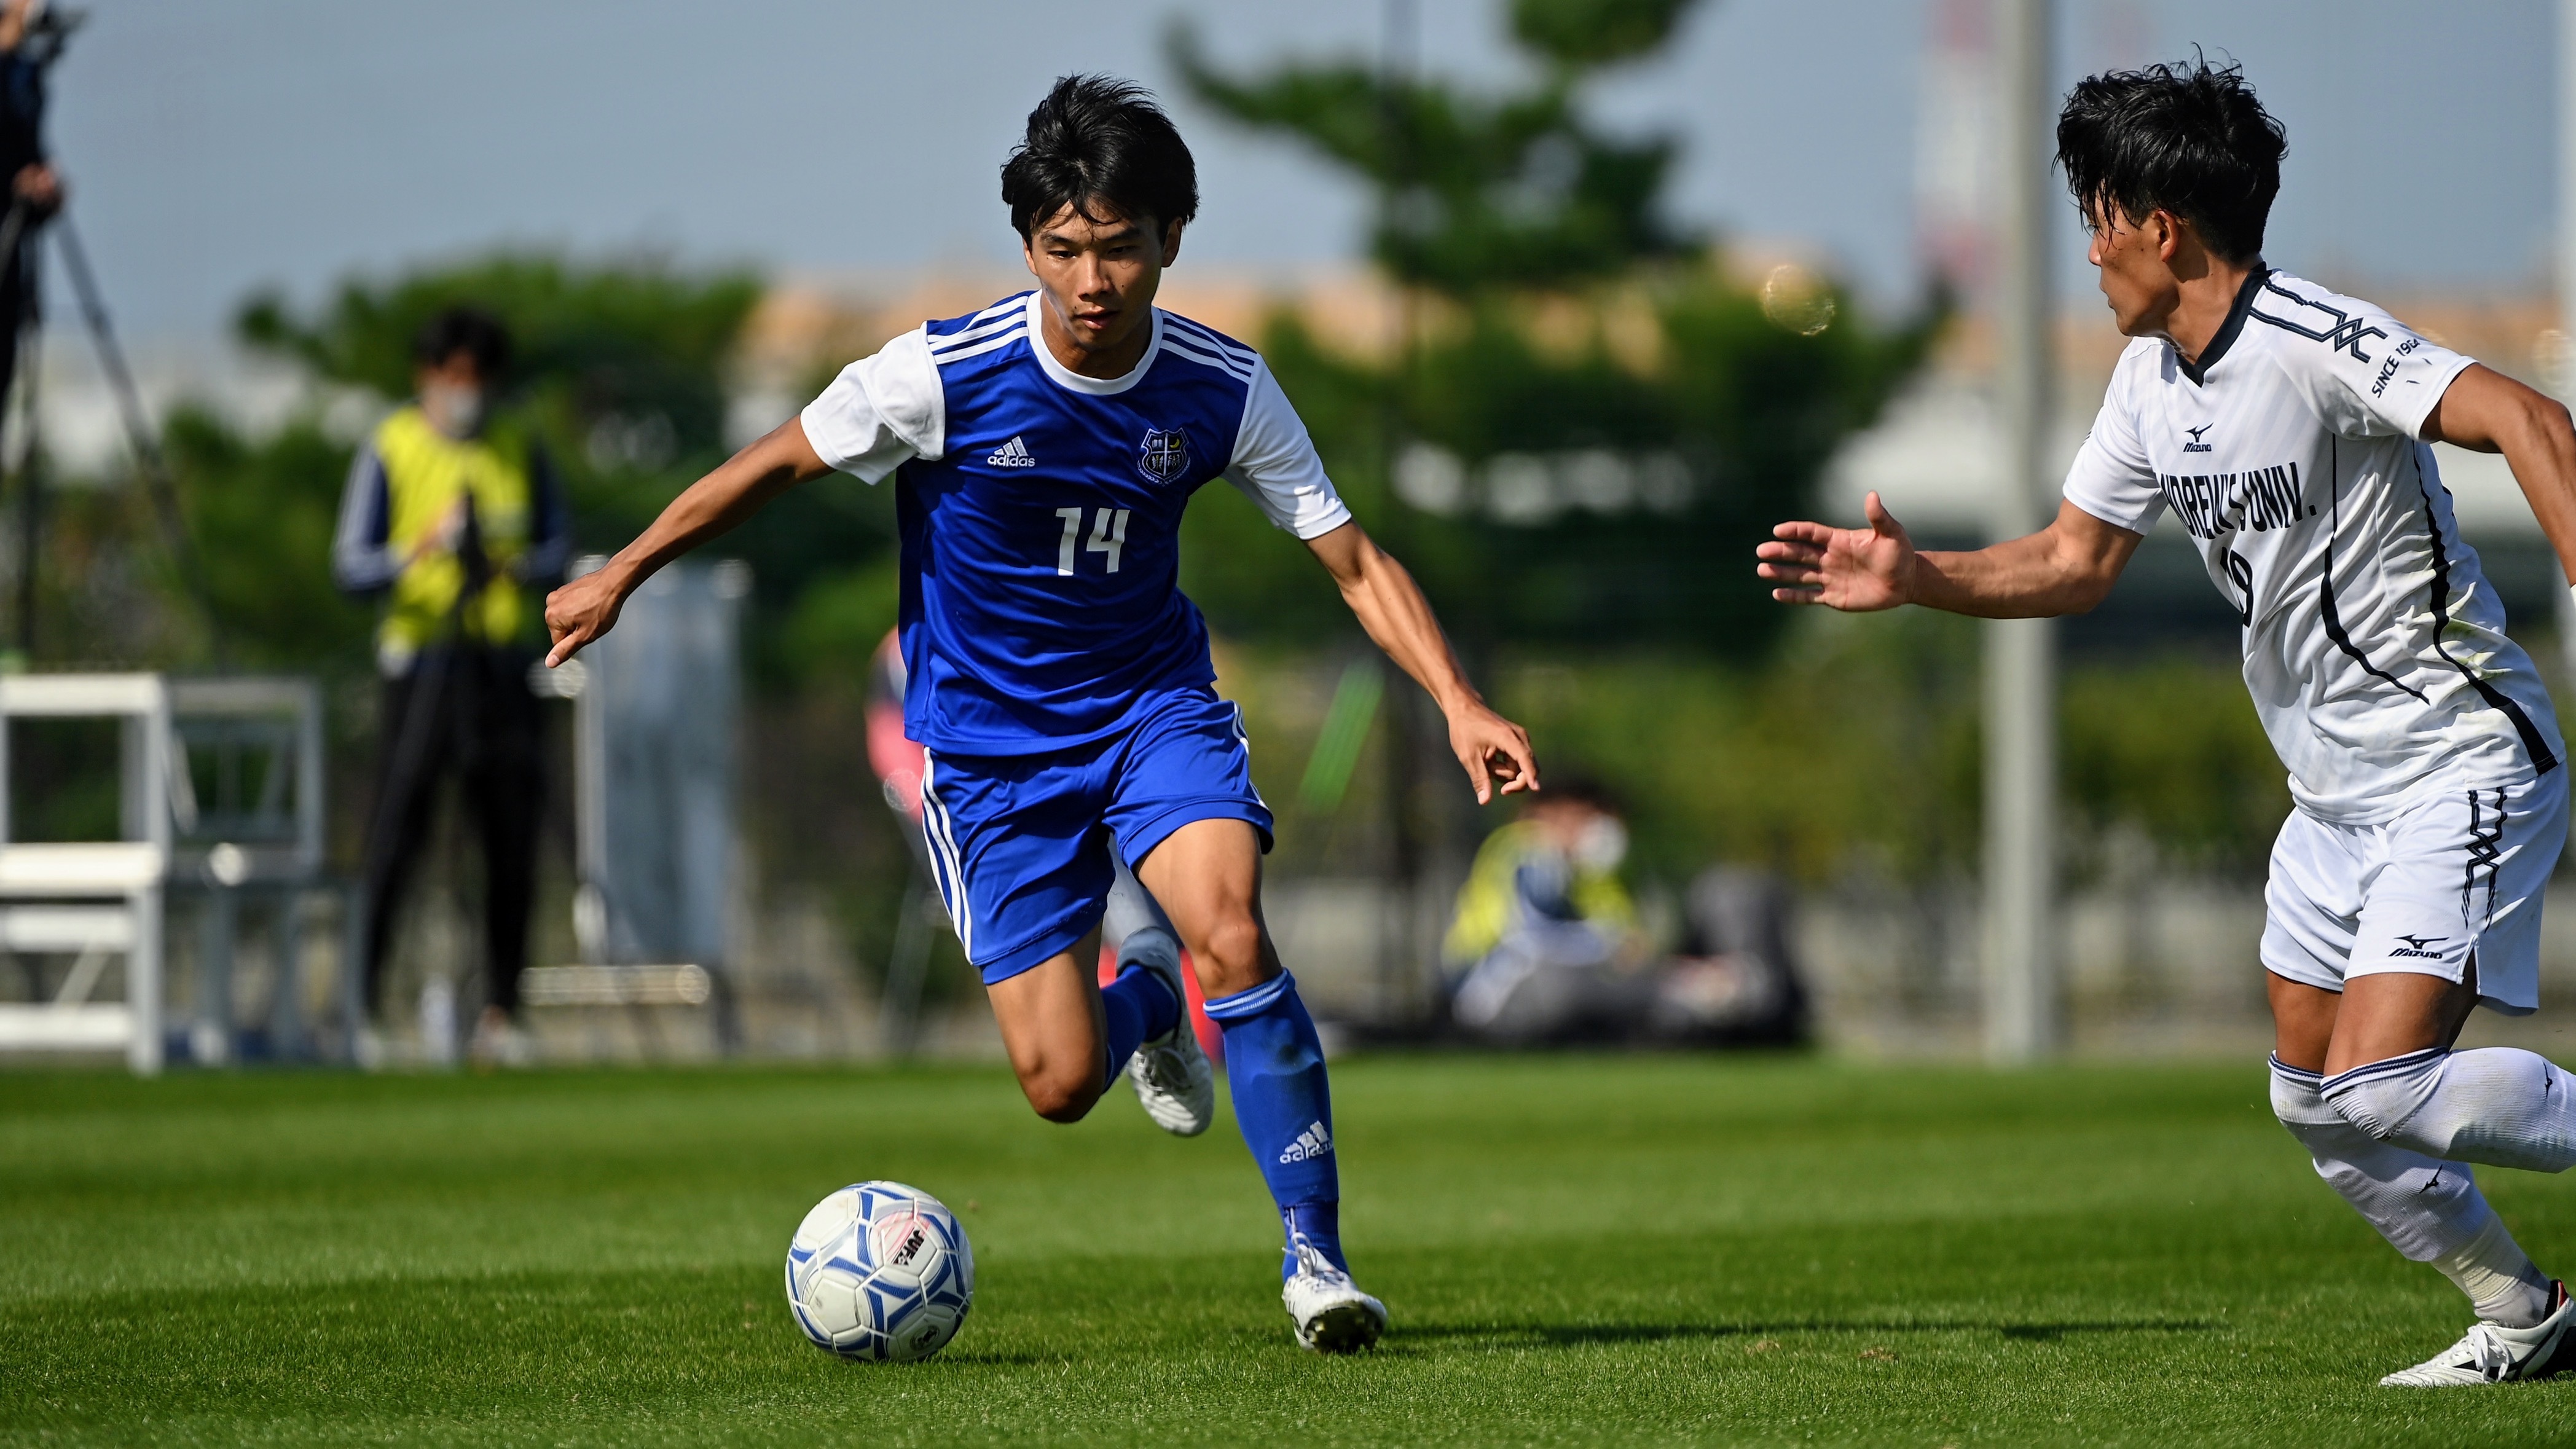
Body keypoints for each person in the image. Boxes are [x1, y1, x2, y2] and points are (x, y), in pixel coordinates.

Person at [542, 76, 1537, 1352]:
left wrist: (1456, 701)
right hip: (986, 753)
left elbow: (1348, 558)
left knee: (1229, 925)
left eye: (1118, 247)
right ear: (1029, 247)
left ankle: (1316, 1262)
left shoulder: (1222, 389)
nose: (1090, 279)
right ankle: (1150, 1009)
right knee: (1060, 1082)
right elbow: (776, 463)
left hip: (1150, 712)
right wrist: (621, 571)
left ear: (1171, 239)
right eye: (1062, 249)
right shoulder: (941, 375)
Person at [1759, 57, 2576, 1387]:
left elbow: (2529, 416)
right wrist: (1915, 579)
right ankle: (2522, 1313)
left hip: (2454, 759)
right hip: (2328, 802)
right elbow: (2072, 563)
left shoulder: (2316, 339)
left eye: (2095, 215)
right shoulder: (2146, 383)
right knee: (2314, 1104)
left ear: (2160, 224)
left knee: (2378, 1087)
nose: (2085, 248)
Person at [335, 307, 571, 1065]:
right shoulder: (391, 445)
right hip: (421, 662)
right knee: (395, 837)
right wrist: (421, 550)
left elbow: (558, 548)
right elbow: (350, 565)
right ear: (427, 376)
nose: (465, 392)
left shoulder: (519, 442)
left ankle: (502, 1013)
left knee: (510, 843)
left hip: (501, 663)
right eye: (453, 377)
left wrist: (514, 567)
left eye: (478, 379)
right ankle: (360, 1010)